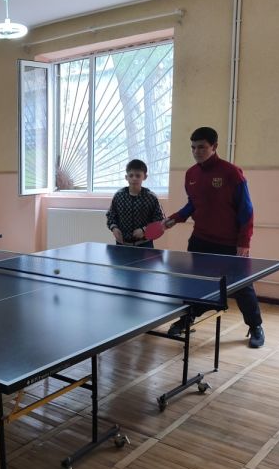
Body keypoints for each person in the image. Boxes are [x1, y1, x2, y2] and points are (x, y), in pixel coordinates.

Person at [164, 126, 265, 348]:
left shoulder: (232, 173)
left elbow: (246, 210)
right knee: (195, 285)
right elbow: (193, 204)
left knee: (242, 287)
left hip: (229, 243)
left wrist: (244, 243)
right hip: (200, 240)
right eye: (193, 147)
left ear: (214, 147)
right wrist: (175, 218)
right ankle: (187, 318)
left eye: (202, 147)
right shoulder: (191, 174)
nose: (196, 152)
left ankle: (255, 325)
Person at [106, 158, 164, 248]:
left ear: (145, 177)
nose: (134, 178)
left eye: (138, 176)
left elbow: (159, 220)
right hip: (122, 244)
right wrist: (114, 228)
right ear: (126, 177)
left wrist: (144, 230)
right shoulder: (118, 196)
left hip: (145, 244)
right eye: (131, 175)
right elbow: (111, 215)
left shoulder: (151, 197)